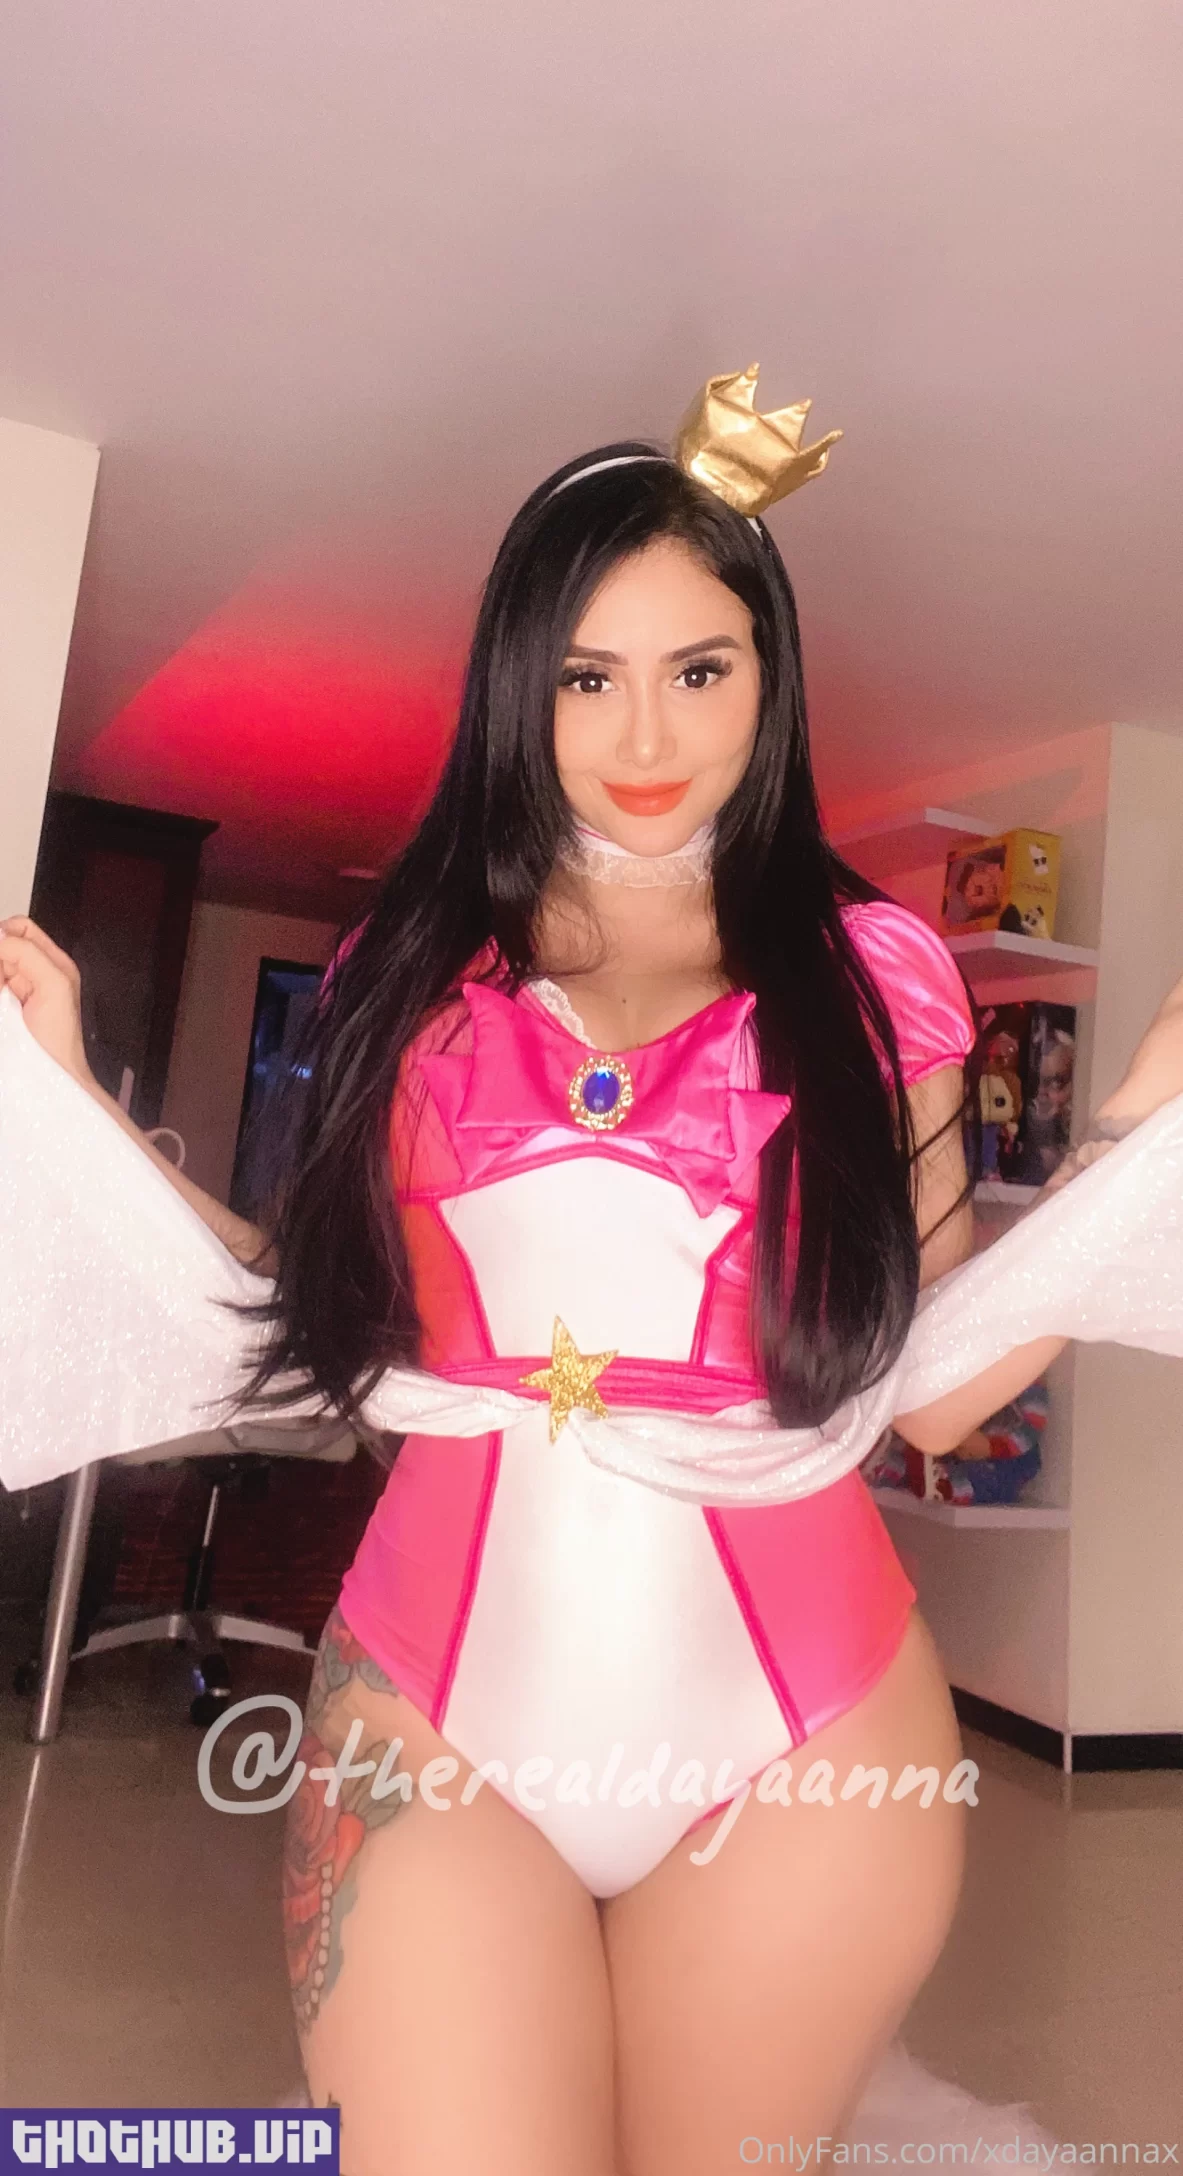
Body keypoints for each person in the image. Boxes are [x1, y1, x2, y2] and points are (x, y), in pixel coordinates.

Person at [3, 372, 1183, 2176]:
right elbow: (313, 1317)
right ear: (517, 687)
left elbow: (934, 1387)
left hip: (809, 1734)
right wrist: (75, 1105)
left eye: (698, 670)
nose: (644, 731)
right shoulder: (414, 957)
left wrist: (1131, 1138)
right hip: (431, 1706)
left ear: (770, 679)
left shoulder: (877, 975)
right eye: (585, 676)